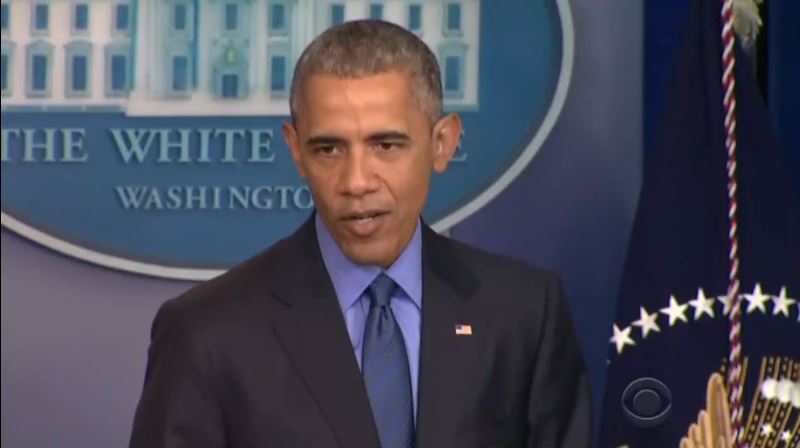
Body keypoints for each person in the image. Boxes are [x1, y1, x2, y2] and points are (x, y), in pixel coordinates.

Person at [129, 19, 591, 448]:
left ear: (442, 143)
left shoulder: (524, 313)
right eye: (329, 149)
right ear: (296, 150)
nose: (356, 182)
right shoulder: (207, 332)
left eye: (385, 145)